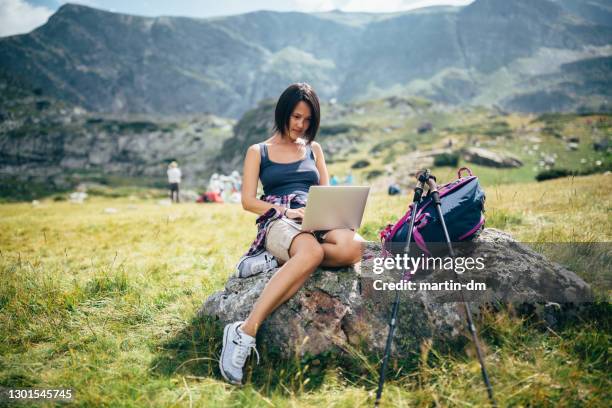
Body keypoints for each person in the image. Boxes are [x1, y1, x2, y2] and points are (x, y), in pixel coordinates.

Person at [219, 83, 364, 385]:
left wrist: (334, 214)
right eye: (296, 117)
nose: (301, 125)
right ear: (283, 113)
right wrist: (287, 212)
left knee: (354, 247)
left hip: (314, 216)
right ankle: (244, 331)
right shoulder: (258, 151)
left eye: (308, 120)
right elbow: (248, 201)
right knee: (311, 252)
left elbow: (324, 191)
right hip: (278, 220)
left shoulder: (314, 149)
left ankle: (291, 261)